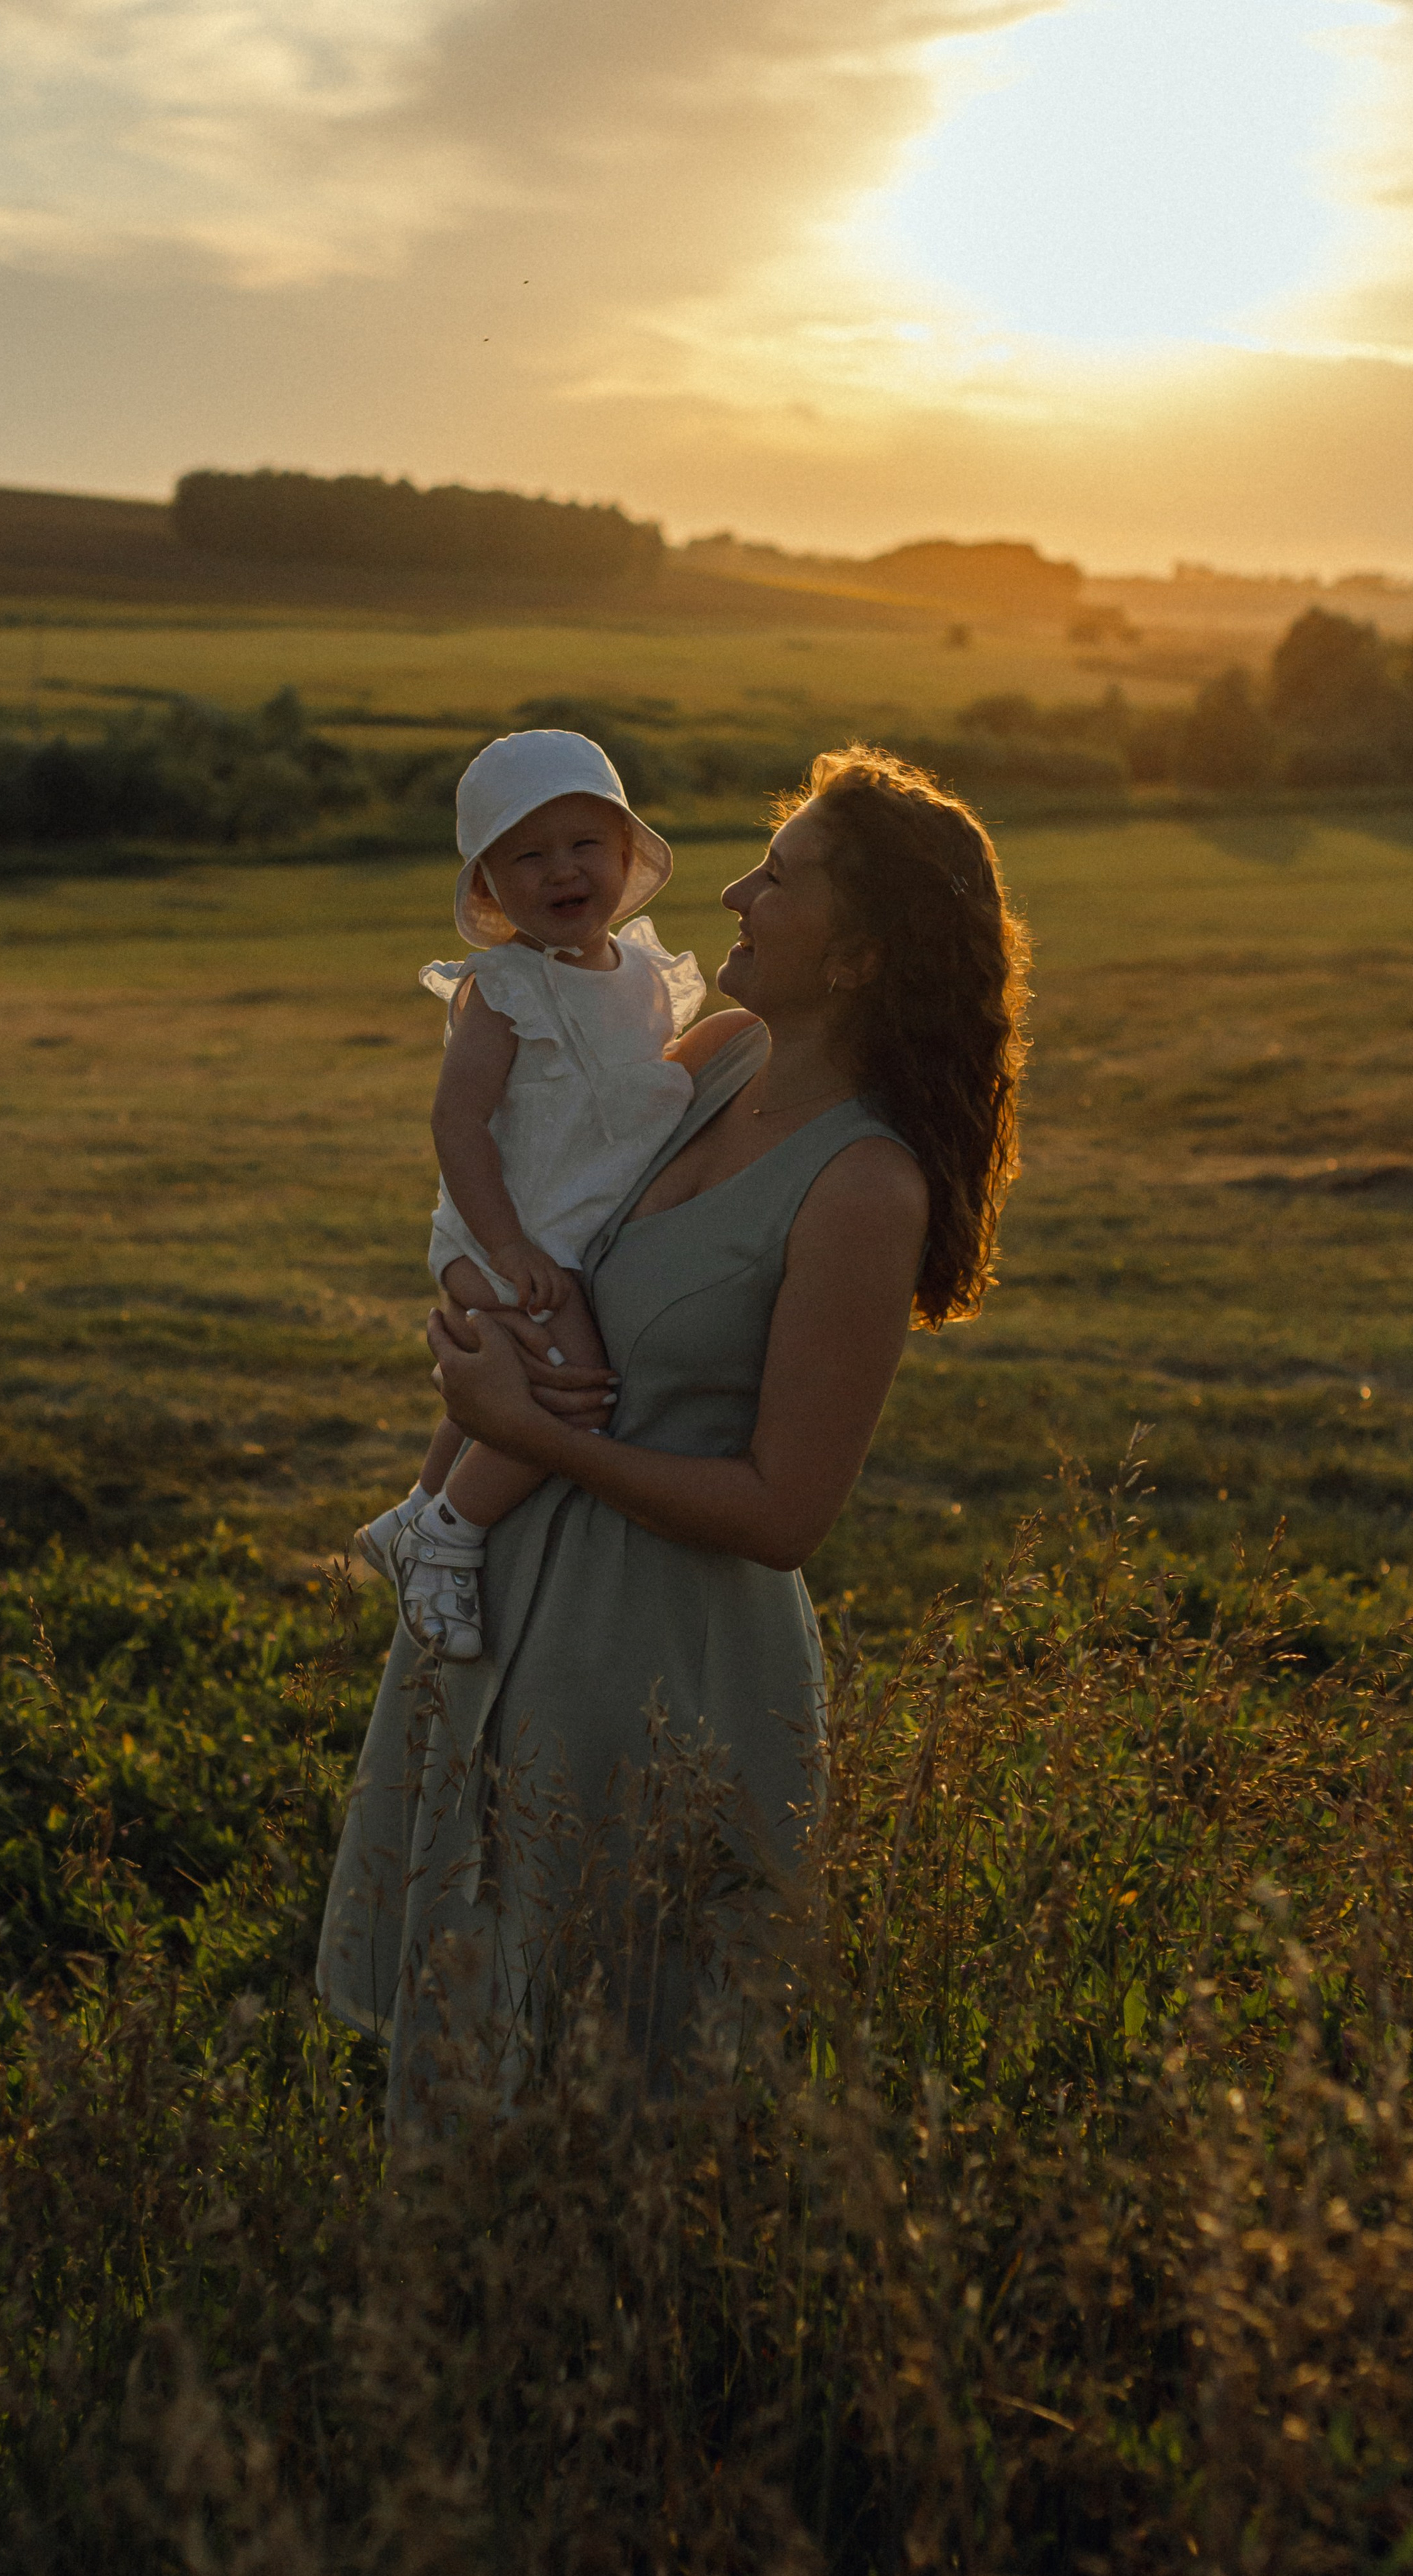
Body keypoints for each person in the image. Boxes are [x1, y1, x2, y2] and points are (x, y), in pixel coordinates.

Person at [317, 746, 1028, 2120]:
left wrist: (525, 1427)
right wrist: (472, 1312)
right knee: (466, 2071)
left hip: (658, 1673)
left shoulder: (863, 1184)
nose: (733, 888)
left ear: (864, 953)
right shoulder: (707, 1056)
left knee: (616, 2099)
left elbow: (781, 1514)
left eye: (781, 872)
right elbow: (534, 1200)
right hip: (507, 1616)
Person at [353, 728, 706, 1662]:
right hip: (510, 1238)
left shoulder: (644, 977)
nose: (562, 869)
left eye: (585, 843)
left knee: (512, 1371)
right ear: (489, 889)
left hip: (582, 1239)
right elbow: (457, 1124)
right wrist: (507, 1247)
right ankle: (451, 1534)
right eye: (527, 854)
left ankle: (416, 1510)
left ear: (627, 855)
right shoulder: (502, 988)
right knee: (574, 1393)